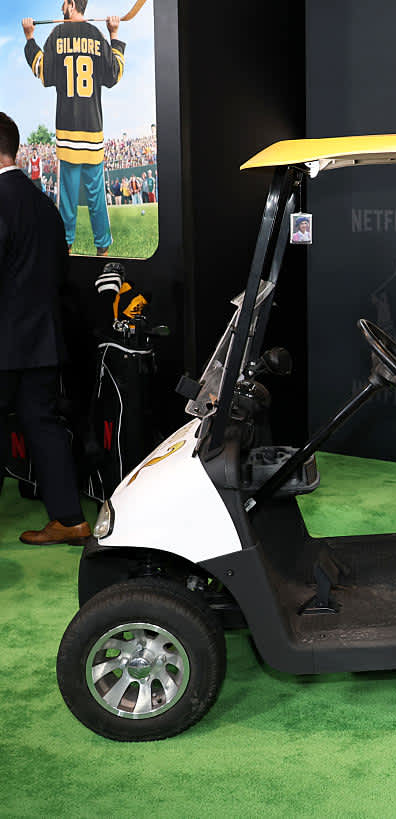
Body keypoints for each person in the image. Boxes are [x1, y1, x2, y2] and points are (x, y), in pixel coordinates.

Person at [0, 112, 91, 546]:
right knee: (42, 425)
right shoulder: (43, 203)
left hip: (5, 342)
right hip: (42, 339)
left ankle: (69, 520)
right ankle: (70, 518)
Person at [23, 1, 126, 256]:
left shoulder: (57, 34)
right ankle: (102, 250)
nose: (61, 6)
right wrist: (114, 36)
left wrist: (30, 39)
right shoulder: (96, 34)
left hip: (68, 133)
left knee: (67, 200)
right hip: (92, 132)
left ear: (71, 4)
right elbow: (114, 74)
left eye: (63, 3)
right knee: (97, 199)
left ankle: (66, 247)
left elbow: (41, 71)